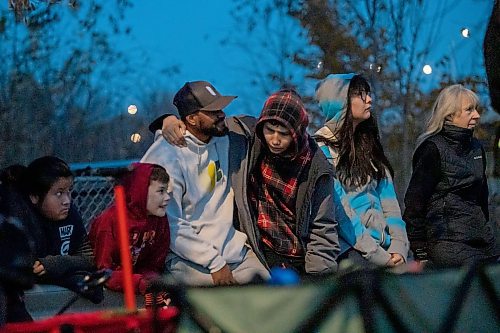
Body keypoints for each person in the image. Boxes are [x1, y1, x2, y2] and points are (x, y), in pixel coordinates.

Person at [141, 80, 270, 286]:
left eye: (220, 108)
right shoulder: (166, 156)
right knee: (220, 308)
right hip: (187, 258)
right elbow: (169, 222)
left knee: (272, 295)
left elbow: (269, 125)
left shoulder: (223, 137)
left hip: (234, 250)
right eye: (213, 111)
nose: (221, 115)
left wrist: (165, 119)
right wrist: (214, 263)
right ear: (191, 118)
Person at [314, 73, 409, 268]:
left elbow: (390, 202)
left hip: (387, 250)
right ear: (339, 102)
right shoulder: (321, 151)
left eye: (368, 93)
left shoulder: (369, 145)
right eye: (360, 94)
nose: (369, 99)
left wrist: (399, 246)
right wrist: (378, 256)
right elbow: (342, 214)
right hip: (353, 253)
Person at [241, 89, 339, 275]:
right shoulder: (253, 143)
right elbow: (218, 124)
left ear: (296, 134)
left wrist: (316, 276)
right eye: (270, 131)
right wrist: (168, 120)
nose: (275, 140)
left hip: (299, 254)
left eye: (283, 134)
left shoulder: (316, 168)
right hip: (261, 247)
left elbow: (322, 226)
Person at [403, 84, 498, 267]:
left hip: (482, 242)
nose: (477, 115)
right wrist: (420, 249)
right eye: (469, 110)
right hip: (447, 245)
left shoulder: (477, 148)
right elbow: (415, 202)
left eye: (476, 109)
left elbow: (482, 198)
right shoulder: (432, 149)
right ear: (449, 114)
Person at [1, 156, 101, 305]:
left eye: (69, 191)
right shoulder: (20, 220)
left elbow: (88, 257)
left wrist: (57, 264)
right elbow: (25, 270)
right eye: (59, 193)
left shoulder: (70, 213)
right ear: (34, 197)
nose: (67, 200)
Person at [89, 163, 171, 307]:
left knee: (167, 307)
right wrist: (139, 282)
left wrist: (151, 281)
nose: (167, 197)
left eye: (167, 191)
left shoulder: (159, 220)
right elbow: (103, 270)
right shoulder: (110, 221)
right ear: (141, 192)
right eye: (161, 191)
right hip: (110, 288)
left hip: (140, 282)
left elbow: (154, 264)